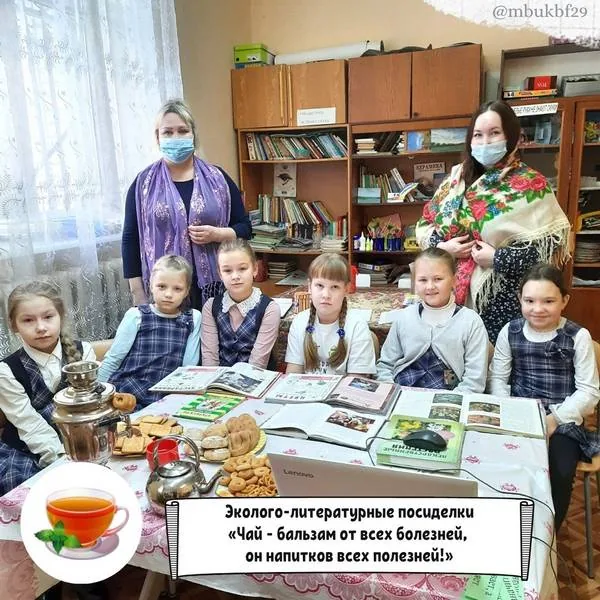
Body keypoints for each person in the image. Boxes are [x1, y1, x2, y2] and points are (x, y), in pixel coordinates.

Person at [415, 100, 570, 344]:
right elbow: (427, 223)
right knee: (451, 356)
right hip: (448, 291)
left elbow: (547, 250)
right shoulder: (455, 179)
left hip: (500, 298)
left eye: (494, 133)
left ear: (511, 136)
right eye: (478, 135)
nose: (485, 142)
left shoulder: (531, 184)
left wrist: (497, 258)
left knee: (496, 360)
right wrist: (443, 248)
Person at [488, 264, 600, 530]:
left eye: (548, 301)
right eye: (529, 301)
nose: (537, 309)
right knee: (501, 465)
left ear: (564, 300)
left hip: (563, 420)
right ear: (520, 300)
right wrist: (509, 411)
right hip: (519, 413)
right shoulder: (510, 331)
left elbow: (589, 391)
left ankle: (547, 532)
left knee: (560, 471)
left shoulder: (577, 336)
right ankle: (505, 525)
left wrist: (553, 420)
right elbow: (498, 379)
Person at [121, 98, 252, 310]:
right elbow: (130, 240)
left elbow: (245, 228)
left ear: (193, 135)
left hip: (214, 285)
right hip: (166, 290)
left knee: (211, 332)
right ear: (158, 137)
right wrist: (138, 294)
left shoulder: (218, 178)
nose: (176, 137)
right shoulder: (143, 184)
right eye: (168, 132)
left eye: (183, 131)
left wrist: (218, 234)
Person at [0, 282, 95, 496]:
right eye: (28, 320)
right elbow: (29, 424)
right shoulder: (6, 371)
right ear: (14, 325)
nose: (41, 327)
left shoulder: (84, 352)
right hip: (26, 448)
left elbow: (90, 407)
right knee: (32, 492)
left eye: (48, 317)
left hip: (79, 438)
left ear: (61, 316)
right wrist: (60, 460)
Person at [377, 248, 488, 392]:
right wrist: (389, 392)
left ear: (454, 280)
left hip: (449, 396)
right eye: (423, 280)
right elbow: (385, 366)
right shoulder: (404, 317)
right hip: (402, 391)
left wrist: (452, 400)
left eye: (438, 279)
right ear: (414, 282)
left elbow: (474, 381)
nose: (430, 286)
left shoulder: (471, 322)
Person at [98, 255, 201, 408]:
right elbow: (113, 360)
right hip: (127, 392)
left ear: (186, 291)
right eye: (162, 286)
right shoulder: (136, 315)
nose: (168, 294)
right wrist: (98, 396)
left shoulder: (193, 318)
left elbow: (188, 369)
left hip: (165, 395)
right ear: (151, 285)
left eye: (177, 289)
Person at [285, 254, 376, 376]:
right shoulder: (299, 322)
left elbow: (356, 380)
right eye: (320, 285)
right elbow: (292, 374)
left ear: (346, 289)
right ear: (309, 287)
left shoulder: (357, 326)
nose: (326, 295)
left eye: (335, 287)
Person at [201, 239, 280, 368]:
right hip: (217, 378)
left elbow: (258, 364)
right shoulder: (211, 307)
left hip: (255, 377)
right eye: (227, 270)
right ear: (220, 274)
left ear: (255, 269)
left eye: (242, 269)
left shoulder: (269, 309)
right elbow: (209, 359)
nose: (235, 276)